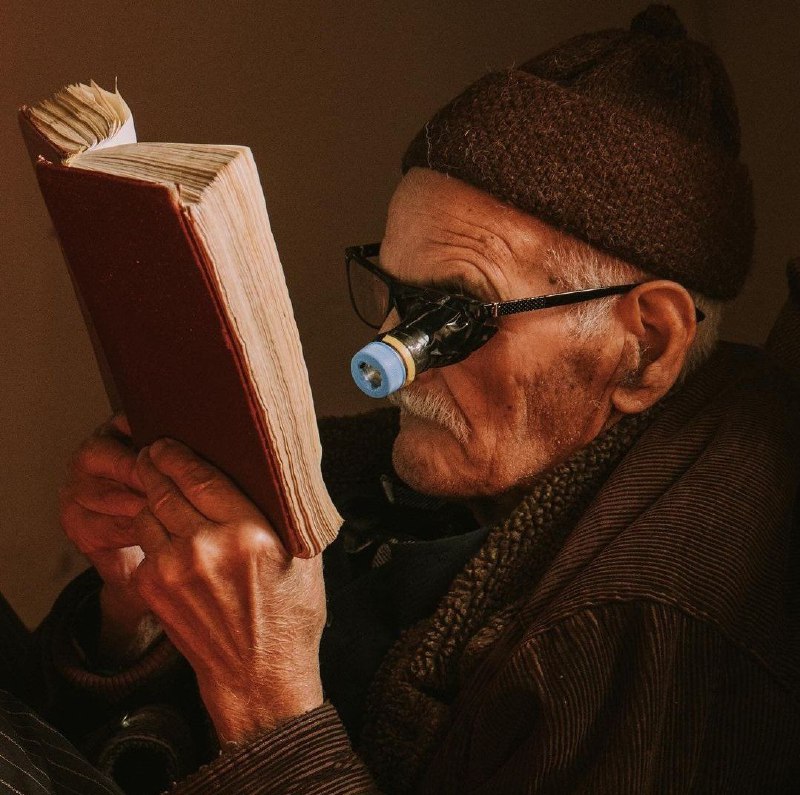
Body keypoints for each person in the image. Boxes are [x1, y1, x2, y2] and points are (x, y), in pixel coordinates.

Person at [27, 4, 800, 793]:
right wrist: (137, 611)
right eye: (394, 293)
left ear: (646, 348)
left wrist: (266, 701)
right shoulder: (432, 468)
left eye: (454, 317)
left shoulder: (664, 629)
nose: (387, 358)